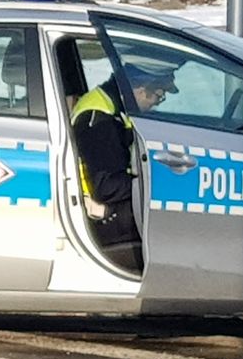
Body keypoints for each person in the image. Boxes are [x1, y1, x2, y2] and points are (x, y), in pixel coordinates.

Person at [71, 55, 179, 252]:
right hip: (102, 215)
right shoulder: (100, 121)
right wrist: (159, 182)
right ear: (139, 90)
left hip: (108, 205)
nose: (157, 103)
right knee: (174, 216)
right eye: (158, 95)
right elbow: (107, 187)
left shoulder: (114, 107)